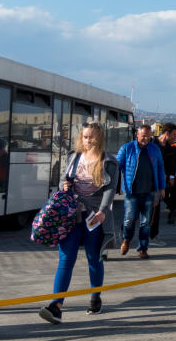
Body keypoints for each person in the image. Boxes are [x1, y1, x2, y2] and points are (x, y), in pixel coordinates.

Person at [39, 122, 120, 323]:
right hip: (71, 215)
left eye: (91, 137)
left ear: (99, 138)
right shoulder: (74, 157)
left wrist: (102, 211)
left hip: (94, 217)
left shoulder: (109, 161)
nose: (88, 140)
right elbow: (62, 181)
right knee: (66, 260)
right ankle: (56, 306)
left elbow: (110, 190)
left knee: (94, 258)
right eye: (85, 136)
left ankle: (95, 297)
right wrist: (64, 185)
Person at [115, 123, 166, 259]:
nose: (146, 139)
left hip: (149, 192)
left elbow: (160, 168)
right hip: (132, 193)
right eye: (144, 136)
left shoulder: (154, 149)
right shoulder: (127, 149)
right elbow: (116, 167)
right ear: (137, 135)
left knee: (146, 222)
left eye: (148, 137)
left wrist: (162, 188)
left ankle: (142, 249)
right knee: (129, 219)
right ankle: (126, 239)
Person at [156, 123, 176, 227]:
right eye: (174, 135)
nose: (175, 137)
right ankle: (173, 209)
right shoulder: (152, 143)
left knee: (163, 196)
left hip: (166, 177)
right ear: (167, 133)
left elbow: (173, 165)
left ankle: (173, 210)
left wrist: (171, 176)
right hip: (153, 177)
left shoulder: (173, 149)